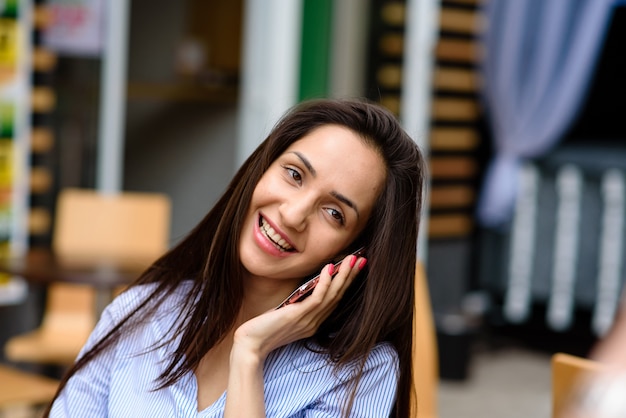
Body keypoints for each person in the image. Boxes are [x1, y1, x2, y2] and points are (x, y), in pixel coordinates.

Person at [45, 98, 426, 417]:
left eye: (334, 213)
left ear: (354, 252)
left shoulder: (358, 376)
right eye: (294, 174)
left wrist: (249, 354)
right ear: (259, 170)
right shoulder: (143, 311)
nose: (293, 215)